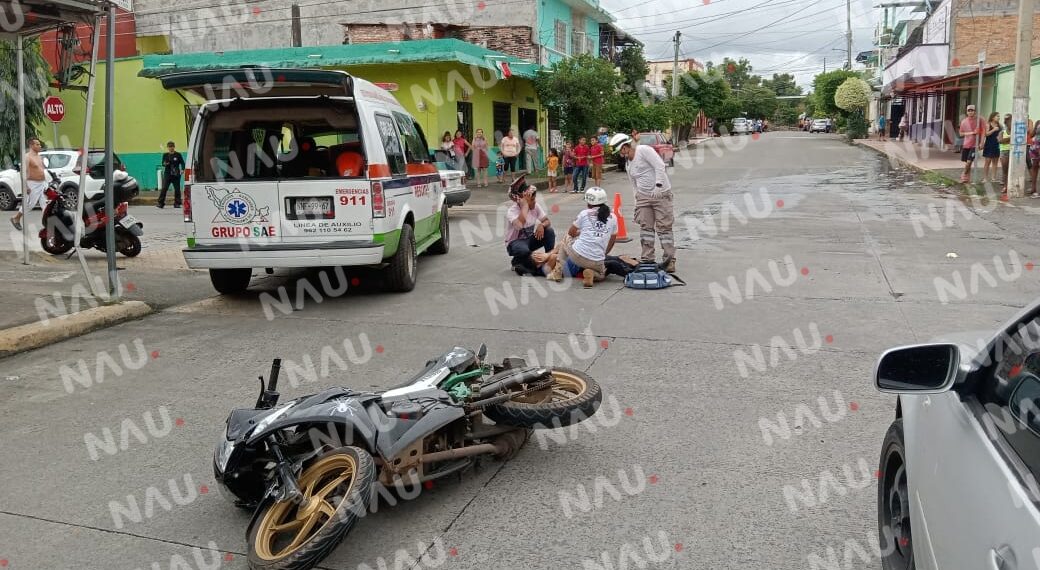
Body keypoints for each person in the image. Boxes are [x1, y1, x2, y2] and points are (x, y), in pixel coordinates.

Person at [610, 132, 675, 273]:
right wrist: (636, 202)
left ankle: (669, 260)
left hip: (661, 194)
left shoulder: (643, 150)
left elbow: (659, 166)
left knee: (664, 228)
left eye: (620, 151)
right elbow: (634, 184)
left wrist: (658, 186)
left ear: (625, 146)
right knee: (646, 229)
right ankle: (647, 258)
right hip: (643, 197)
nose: (620, 154)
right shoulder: (628, 164)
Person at [547, 186, 618, 288]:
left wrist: (581, 233)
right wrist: (604, 253)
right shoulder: (613, 217)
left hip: (578, 257)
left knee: (564, 240)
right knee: (602, 274)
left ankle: (557, 271)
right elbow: (612, 240)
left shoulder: (584, 213)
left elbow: (571, 233)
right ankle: (592, 274)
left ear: (589, 202)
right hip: (597, 261)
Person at [505, 176, 555, 274]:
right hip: (515, 243)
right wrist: (525, 206)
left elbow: (547, 221)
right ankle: (518, 262)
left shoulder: (535, 206)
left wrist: (542, 225)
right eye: (532, 199)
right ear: (522, 201)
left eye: (534, 198)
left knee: (549, 231)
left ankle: (549, 257)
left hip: (529, 241)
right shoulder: (512, 211)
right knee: (523, 251)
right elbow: (519, 225)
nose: (535, 201)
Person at [10, 137, 46, 231]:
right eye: (37, 144)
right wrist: (25, 186)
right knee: (30, 204)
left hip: (42, 183)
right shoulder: (27, 157)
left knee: (44, 204)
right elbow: (23, 172)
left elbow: (41, 170)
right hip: (32, 184)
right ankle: (16, 218)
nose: (40, 146)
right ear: (31, 145)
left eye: (39, 144)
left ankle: (47, 224)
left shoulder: (39, 156)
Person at [157, 140, 185, 209]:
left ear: (174, 147)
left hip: (176, 174)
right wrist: (165, 164)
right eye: (169, 147)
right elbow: (163, 164)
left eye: (172, 146)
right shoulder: (165, 155)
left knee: (177, 189)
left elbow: (182, 163)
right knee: (164, 188)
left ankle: (177, 203)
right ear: (167, 147)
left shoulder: (178, 155)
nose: (171, 148)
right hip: (168, 174)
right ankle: (161, 203)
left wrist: (182, 169)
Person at [959, 105, 980, 183]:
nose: (970, 112)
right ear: (967, 112)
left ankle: (964, 174)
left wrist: (981, 143)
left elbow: (982, 132)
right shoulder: (964, 121)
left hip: (975, 145)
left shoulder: (978, 121)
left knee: (969, 161)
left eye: (972, 110)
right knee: (967, 163)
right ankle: (967, 178)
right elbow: (960, 134)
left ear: (975, 111)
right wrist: (971, 132)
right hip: (966, 144)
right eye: (969, 111)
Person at [982, 112, 1001, 184]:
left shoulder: (999, 125)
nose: (998, 118)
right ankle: (985, 178)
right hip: (989, 144)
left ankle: (993, 177)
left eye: (999, 116)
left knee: (995, 162)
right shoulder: (988, 124)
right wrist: (993, 130)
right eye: (997, 116)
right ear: (992, 117)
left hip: (996, 145)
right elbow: (986, 134)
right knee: (987, 161)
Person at [1000, 114, 1012, 187]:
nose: (1010, 123)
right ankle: (1005, 186)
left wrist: (1006, 140)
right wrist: (1010, 138)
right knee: (1005, 169)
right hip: (1004, 151)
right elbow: (1000, 140)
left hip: (1012, 151)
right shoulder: (1003, 131)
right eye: (1008, 121)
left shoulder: (1016, 131)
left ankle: (1009, 185)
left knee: (1011, 169)